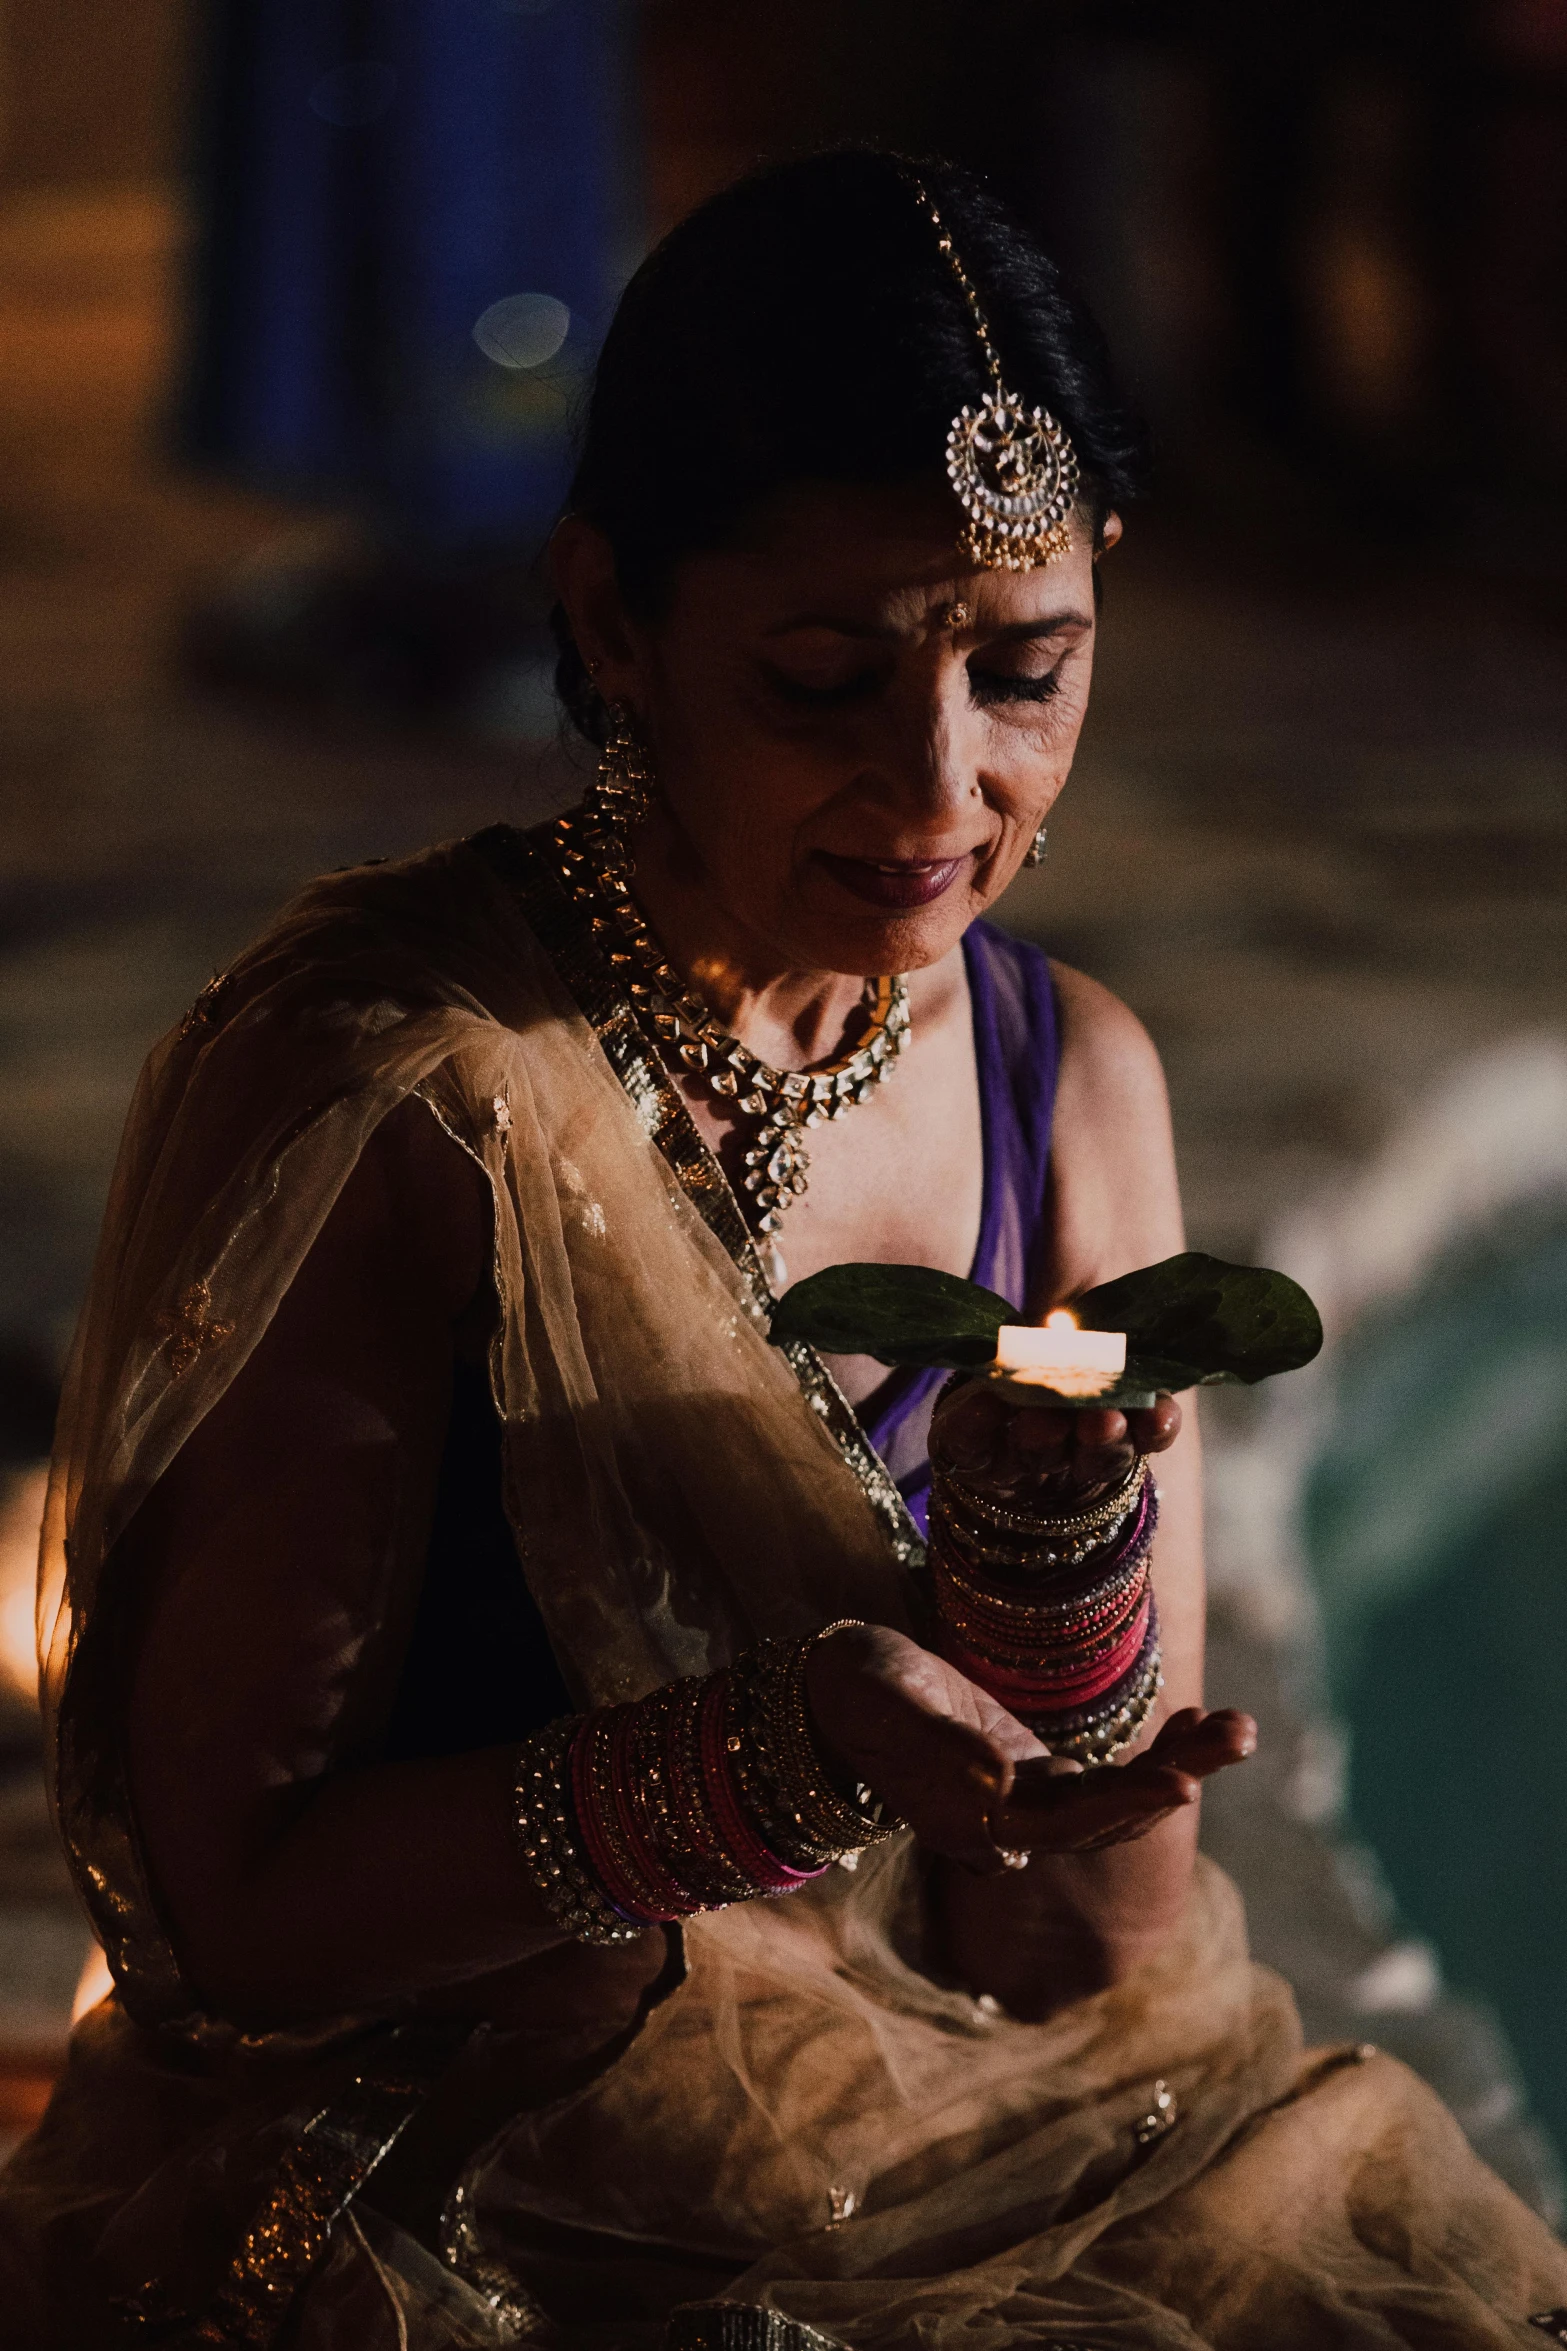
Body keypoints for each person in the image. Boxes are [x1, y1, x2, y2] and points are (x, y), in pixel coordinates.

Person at [3, 151, 1564, 2351]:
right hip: (460, 2189)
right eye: (827, 678)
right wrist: (764, 1761)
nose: (944, 790)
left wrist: (1066, 1623)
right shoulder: (415, 1090)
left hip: (956, 2120)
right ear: (618, 619)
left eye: (1029, 669)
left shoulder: (1068, 1081)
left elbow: (1087, 1957)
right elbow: (227, 1916)